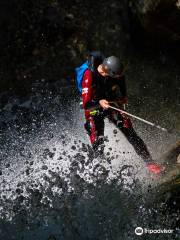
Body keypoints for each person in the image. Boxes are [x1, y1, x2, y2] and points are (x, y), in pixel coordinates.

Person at [81, 52, 162, 174]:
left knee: (129, 130)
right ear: (107, 71)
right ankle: (100, 172)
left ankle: (151, 164)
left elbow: (122, 88)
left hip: (111, 102)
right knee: (98, 137)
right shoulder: (89, 76)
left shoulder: (116, 74)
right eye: (116, 76)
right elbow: (86, 105)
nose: (119, 78)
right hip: (94, 106)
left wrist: (123, 102)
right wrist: (99, 102)